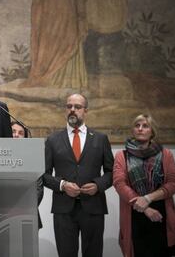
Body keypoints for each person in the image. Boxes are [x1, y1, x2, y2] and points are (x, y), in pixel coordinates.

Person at [43, 93, 113, 257]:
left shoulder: (100, 139)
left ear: (85, 111)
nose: (72, 110)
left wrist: (98, 185)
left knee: (93, 253)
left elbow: (111, 172)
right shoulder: (53, 140)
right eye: (69, 106)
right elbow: (44, 175)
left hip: (93, 207)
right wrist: (62, 185)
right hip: (64, 209)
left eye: (77, 107)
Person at [113, 114, 175, 257]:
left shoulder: (165, 154)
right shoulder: (122, 155)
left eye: (145, 126)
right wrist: (144, 207)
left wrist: (148, 198)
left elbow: (173, 182)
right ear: (133, 130)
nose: (140, 129)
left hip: (162, 215)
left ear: (152, 131)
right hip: (135, 214)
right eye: (137, 125)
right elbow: (120, 184)